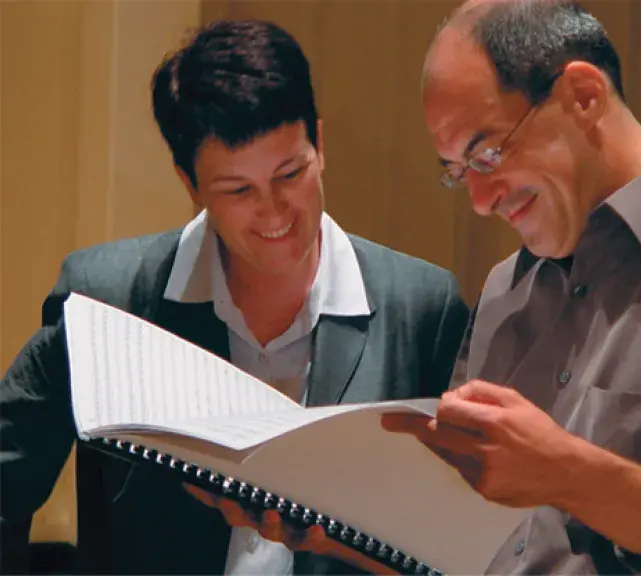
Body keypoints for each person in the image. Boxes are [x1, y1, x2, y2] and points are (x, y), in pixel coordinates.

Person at [0, 20, 469, 575]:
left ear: (319, 142)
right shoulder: (107, 300)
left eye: (290, 173)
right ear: (189, 182)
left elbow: (460, 539)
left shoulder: (422, 309)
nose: (274, 213)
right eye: (238, 190)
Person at [382, 0, 641, 573]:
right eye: (459, 171)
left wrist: (566, 473)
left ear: (583, 96)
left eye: (487, 152)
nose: (482, 203)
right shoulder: (502, 292)